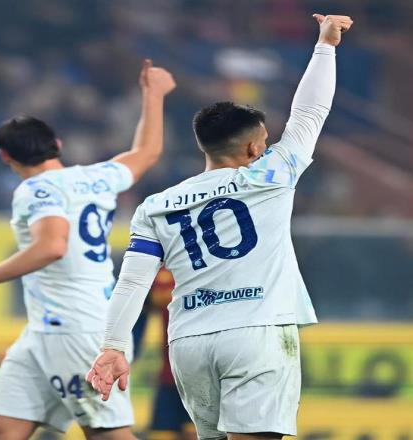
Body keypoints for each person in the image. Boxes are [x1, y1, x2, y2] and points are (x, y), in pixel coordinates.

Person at [86, 14, 353, 440]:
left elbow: (132, 282)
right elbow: (310, 112)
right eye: (264, 142)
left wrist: (113, 346)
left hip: (188, 343)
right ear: (253, 147)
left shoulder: (157, 205)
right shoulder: (271, 175)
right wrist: (326, 46)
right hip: (256, 333)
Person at [0, 59, 176, 440]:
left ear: (5, 157)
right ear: (57, 146)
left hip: (76, 328)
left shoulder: (36, 189)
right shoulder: (96, 177)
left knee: (108, 433)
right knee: (0, 430)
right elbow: (146, 152)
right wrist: (153, 94)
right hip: (46, 330)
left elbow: (52, 246)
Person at [147, 268, 196, 440]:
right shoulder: (159, 269)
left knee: (198, 431)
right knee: (163, 432)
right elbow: (156, 299)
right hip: (169, 373)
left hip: (197, 370)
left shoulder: (203, 266)